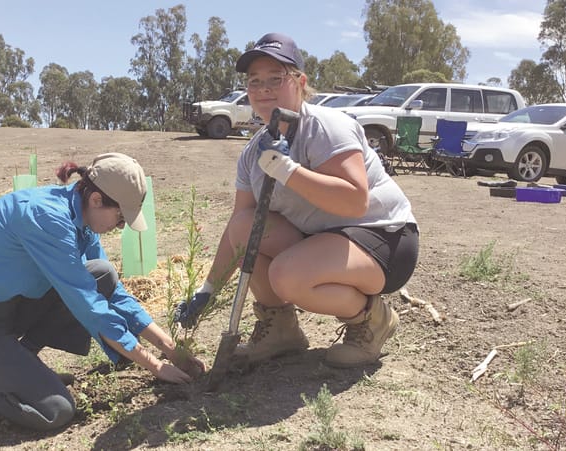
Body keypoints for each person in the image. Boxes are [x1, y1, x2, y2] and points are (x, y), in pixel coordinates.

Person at [174, 33, 419, 369]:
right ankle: (281, 331)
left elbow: (354, 202)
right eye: (254, 81)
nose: (263, 89)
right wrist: (207, 288)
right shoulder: (252, 153)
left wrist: (286, 170)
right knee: (246, 228)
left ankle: (371, 320)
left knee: (287, 275)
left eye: (276, 78)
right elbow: (238, 228)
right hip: (322, 240)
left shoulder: (327, 127)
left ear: (301, 82)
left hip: (382, 237)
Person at [0, 152, 204, 432]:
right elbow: (89, 305)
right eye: (119, 217)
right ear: (96, 198)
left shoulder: (82, 216)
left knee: (101, 272)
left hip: (5, 311)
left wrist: (169, 348)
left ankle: (20, 370)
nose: (121, 226)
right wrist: (154, 365)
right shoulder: (47, 218)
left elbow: (110, 293)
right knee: (56, 410)